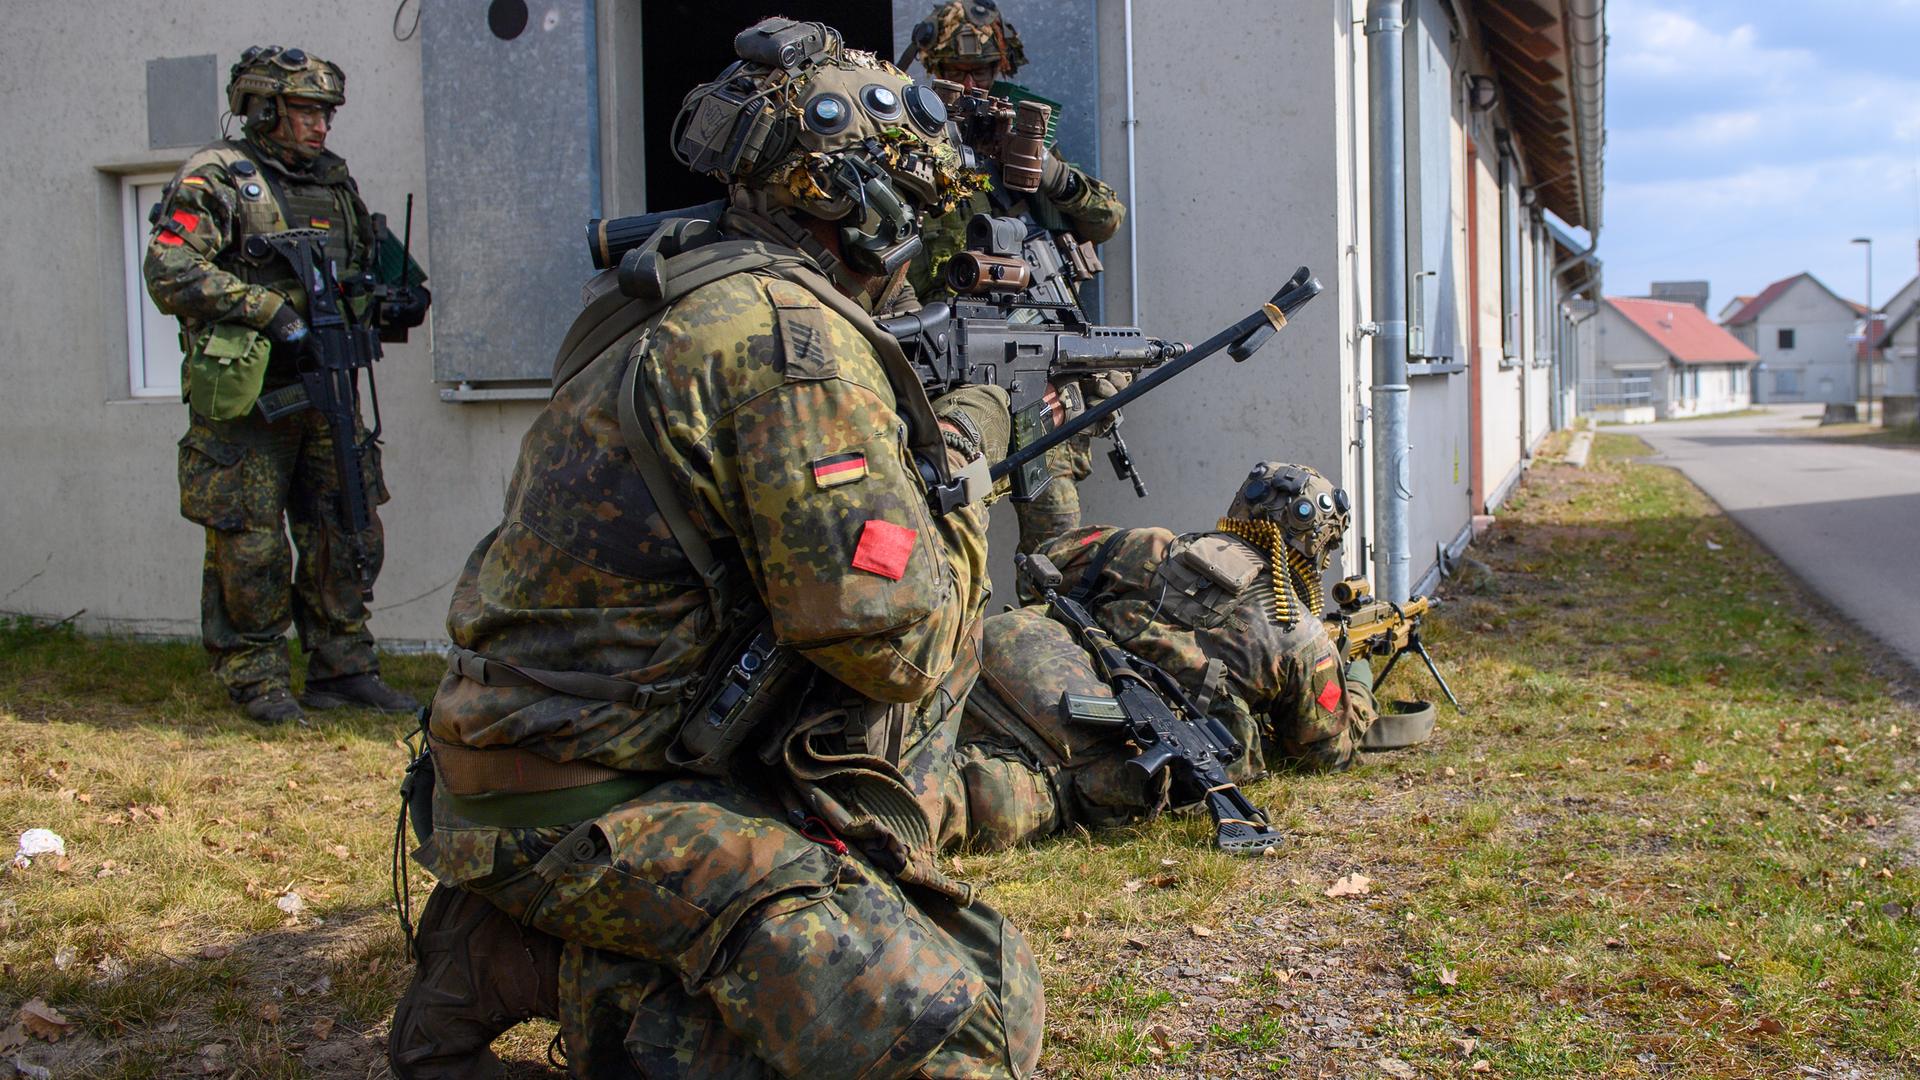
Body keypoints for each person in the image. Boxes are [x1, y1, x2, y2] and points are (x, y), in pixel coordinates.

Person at [388, 20, 1042, 1078]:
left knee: (961, 973)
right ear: (858, 210)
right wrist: (965, 462)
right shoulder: (788, 347)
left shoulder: (672, 290)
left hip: (557, 760)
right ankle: (528, 963)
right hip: (583, 801)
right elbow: (897, 646)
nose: (919, 246)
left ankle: (616, 927)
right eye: (915, 214)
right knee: (957, 1038)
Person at [144, 46, 429, 725]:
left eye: (326, 113)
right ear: (264, 108)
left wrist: (396, 296)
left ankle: (343, 667)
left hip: (327, 387)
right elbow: (169, 270)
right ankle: (257, 678)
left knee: (349, 528)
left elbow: (367, 265)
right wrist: (271, 311)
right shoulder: (218, 176)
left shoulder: (333, 182)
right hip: (250, 396)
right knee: (251, 542)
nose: (321, 126)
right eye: (305, 111)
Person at [944, 462, 1390, 852]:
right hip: (1077, 731)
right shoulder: (1298, 634)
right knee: (974, 799)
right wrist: (1359, 685)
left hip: (996, 645)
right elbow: (1324, 753)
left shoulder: (1152, 542)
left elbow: (1048, 560)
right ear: (1318, 546)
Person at [902, 0, 1129, 553]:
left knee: (1057, 547)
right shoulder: (906, 144)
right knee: (953, 533)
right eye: (957, 72)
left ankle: (1048, 639)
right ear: (933, 71)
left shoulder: (1021, 145)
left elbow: (1105, 218)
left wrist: (1047, 173)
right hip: (948, 367)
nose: (972, 83)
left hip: (1033, 364)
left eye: (982, 71)